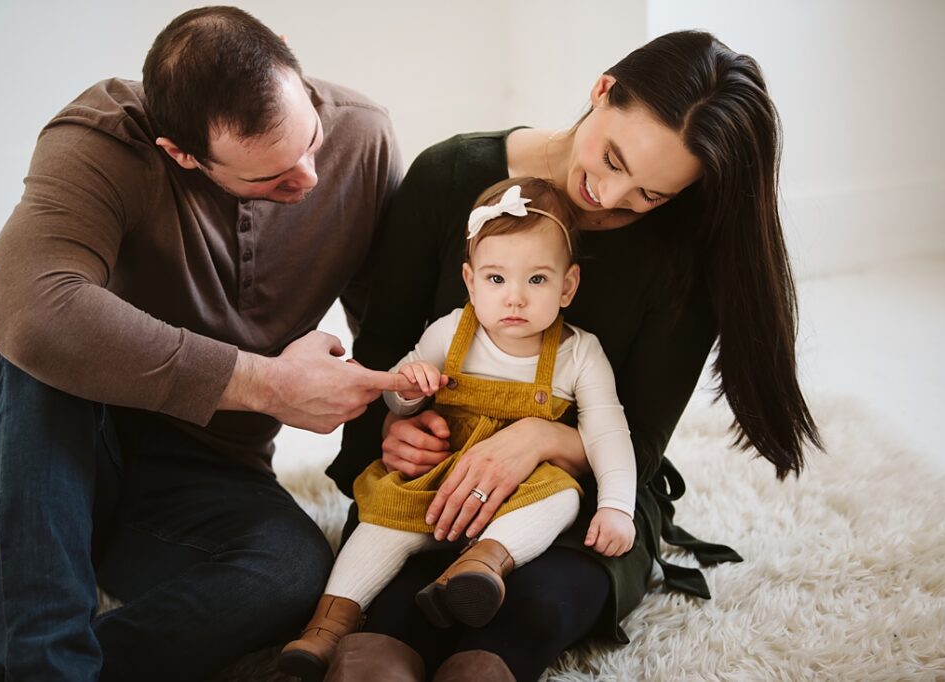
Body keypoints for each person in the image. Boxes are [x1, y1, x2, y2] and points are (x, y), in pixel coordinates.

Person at [324, 30, 821, 681]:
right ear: (602, 89)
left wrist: (541, 440)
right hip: (437, 477)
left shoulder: (683, 256)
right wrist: (397, 425)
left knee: (522, 612)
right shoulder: (451, 176)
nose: (610, 199)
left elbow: (638, 441)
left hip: (583, 493)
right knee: (386, 608)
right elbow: (383, 346)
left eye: (651, 194)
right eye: (612, 160)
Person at [0, 6, 408, 681]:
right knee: (45, 343)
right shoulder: (103, 138)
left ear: (288, 54)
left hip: (205, 474)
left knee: (294, 571)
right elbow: (29, 308)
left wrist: (403, 416)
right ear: (182, 155)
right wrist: (267, 384)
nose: (308, 178)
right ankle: (43, 667)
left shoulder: (364, 135)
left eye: (309, 142)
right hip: (47, 452)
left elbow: (389, 329)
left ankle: (26, 670)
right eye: (270, 177)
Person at [278, 178, 637, 680]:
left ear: (568, 286)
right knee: (381, 520)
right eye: (496, 280)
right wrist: (409, 390)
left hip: (522, 484)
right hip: (438, 473)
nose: (514, 298)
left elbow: (607, 431)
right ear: (469, 281)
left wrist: (618, 506)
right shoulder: (449, 332)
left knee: (563, 496)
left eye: (536, 280)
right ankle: (327, 626)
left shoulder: (579, 352)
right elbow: (397, 399)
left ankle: (482, 566)